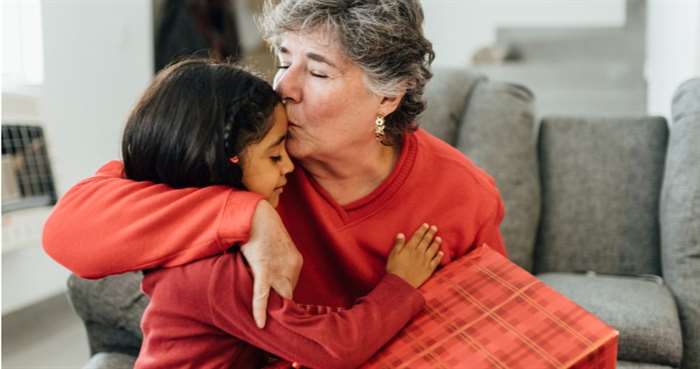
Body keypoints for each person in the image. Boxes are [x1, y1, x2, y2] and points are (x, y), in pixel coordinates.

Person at [43, 0, 507, 331]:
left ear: (388, 94)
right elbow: (67, 233)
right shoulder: (247, 155)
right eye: (284, 59)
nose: (285, 86)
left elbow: (493, 330)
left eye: (319, 71)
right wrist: (249, 216)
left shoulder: (463, 195)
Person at [114, 58, 444, 369]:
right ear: (223, 164)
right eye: (274, 156)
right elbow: (334, 347)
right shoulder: (215, 274)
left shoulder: (201, 241)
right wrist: (399, 285)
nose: (289, 166)